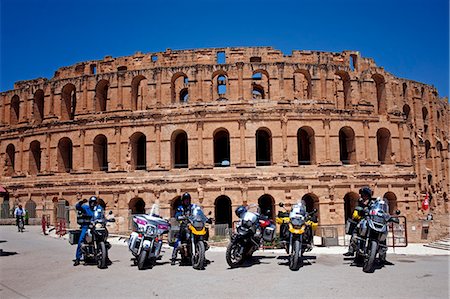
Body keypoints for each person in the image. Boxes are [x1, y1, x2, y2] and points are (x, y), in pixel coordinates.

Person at [343, 186, 374, 257]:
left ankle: (382, 256)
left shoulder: (373, 202)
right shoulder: (360, 202)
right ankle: (351, 250)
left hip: (372, 220)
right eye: (362, 194)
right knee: (355, 232)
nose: (363, 196)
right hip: (363, 220)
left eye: (364, 194)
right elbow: (357, 209)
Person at [73, 196, 97, 266]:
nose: (93, 204)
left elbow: (101, 215)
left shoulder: (97, 208)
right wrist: (80, 203)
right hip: (86, 226)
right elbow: (78, 207)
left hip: (95, 226)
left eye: (94, 202)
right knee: (81, 240)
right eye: (92, 202)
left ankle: (104, 255)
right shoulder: (86, 207)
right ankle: (78, 258)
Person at [171, 192, 193, 265]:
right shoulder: (180, 208)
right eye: (185, 199)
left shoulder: (192, 207)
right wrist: (180, 217)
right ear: (183, 200)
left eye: (188, 199)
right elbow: (177, 215)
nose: (187, 201)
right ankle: (173, 257)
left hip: (192, 226)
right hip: (183, 226)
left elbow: (198, 212)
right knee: (178, 241)